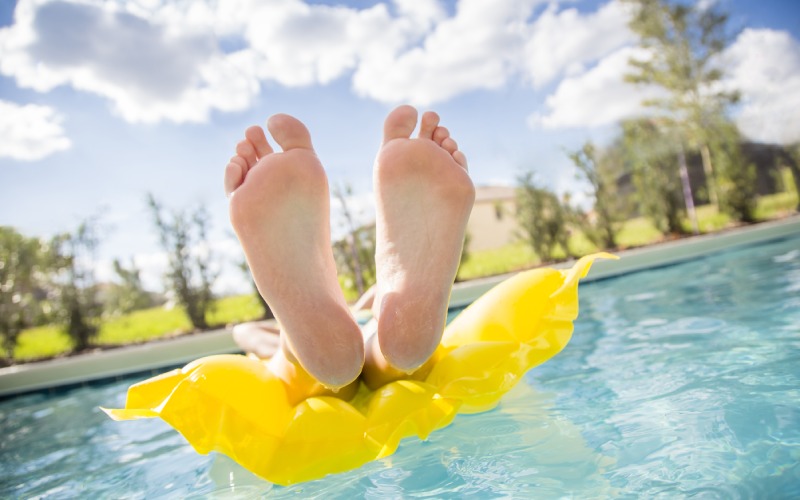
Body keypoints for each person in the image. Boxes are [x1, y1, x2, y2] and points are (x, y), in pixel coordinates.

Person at [224, 105, 475, 400]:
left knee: (289, 346)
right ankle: (396, 352)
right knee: (381, 343)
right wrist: (373, 300)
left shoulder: (345, 315)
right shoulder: (363, 310)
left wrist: (245, 331)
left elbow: (243, 332)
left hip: (336, 342)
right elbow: (369, 299)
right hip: (370, 324)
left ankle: (298, 348)